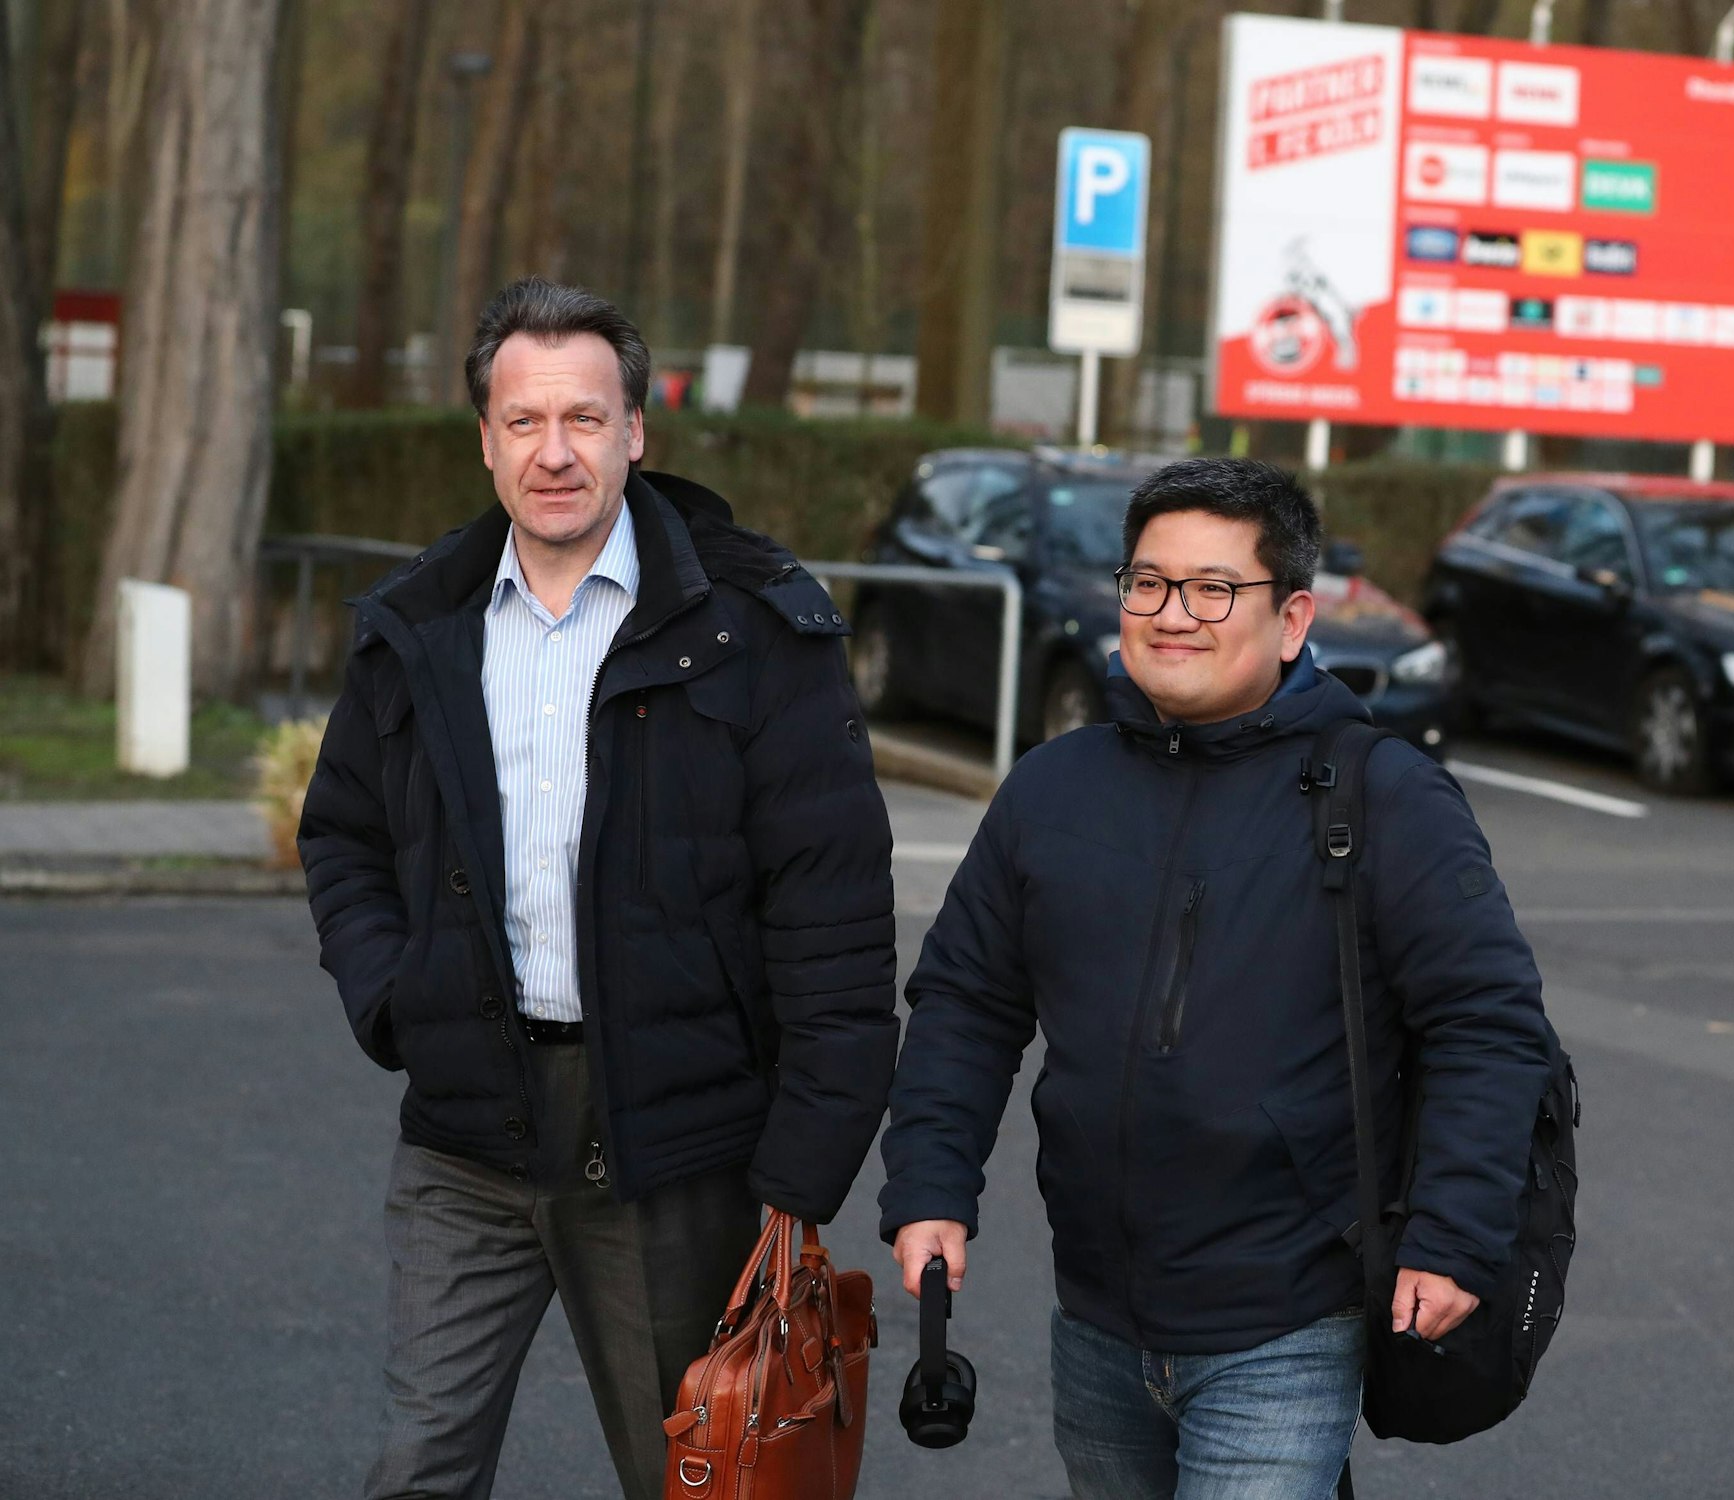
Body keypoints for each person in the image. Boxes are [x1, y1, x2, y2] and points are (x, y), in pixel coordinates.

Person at [299, 277, 897, 1500]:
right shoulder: (418, 628)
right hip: (468, 1127)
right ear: (485, 440)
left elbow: (831, 908)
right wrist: (394, 996)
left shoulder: (751, 629)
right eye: (523, 422)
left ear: (637, 431)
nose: (554, 452)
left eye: (584, 419)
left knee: (703, 1478)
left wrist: (802, 1167)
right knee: (417, 1467)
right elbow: (342, 836)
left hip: (669, 1142)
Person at [878, 457, 1551, 1498]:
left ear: (1289, 619)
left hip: (1284, 1323)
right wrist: (928, 1185)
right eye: (1146, 583)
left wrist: (1453, 1238)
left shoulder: (1385, 798)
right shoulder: (1053, 788)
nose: (1169, 614)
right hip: (1094, 1317)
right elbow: (967, 1001)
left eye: (1210, 589)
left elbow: (1487, 1026)